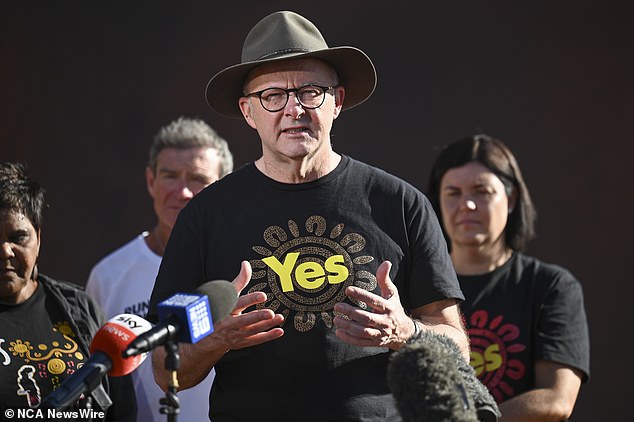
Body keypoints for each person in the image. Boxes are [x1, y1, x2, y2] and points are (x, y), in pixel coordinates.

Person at [149, 10, 469, 422]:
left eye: (310, 92)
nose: (293, 109)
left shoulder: (400, 204)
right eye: (273, 96)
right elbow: (164, 368)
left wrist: (404, 330)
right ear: (248, 112)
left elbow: (457, 351)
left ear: (337, 101)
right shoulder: (205, 216)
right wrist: (217, 339)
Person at [427, 134, 590, 421]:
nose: (468, 205)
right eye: (453, 193)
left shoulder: (550, 287)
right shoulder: (417, 286)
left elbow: (557, 399)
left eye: (482, 191)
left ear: (511, 198)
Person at [86, 117, 233, 421]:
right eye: (170, 176)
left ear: (223, 187)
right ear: (151, 181)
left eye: (197, 178)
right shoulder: (108, 275)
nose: (183, 192)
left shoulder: (239, 270)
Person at [0, 162, 136, 420]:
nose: (5, 251)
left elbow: (121, 406)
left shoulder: (80, 308)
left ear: (38, 239)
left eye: (18, 237)